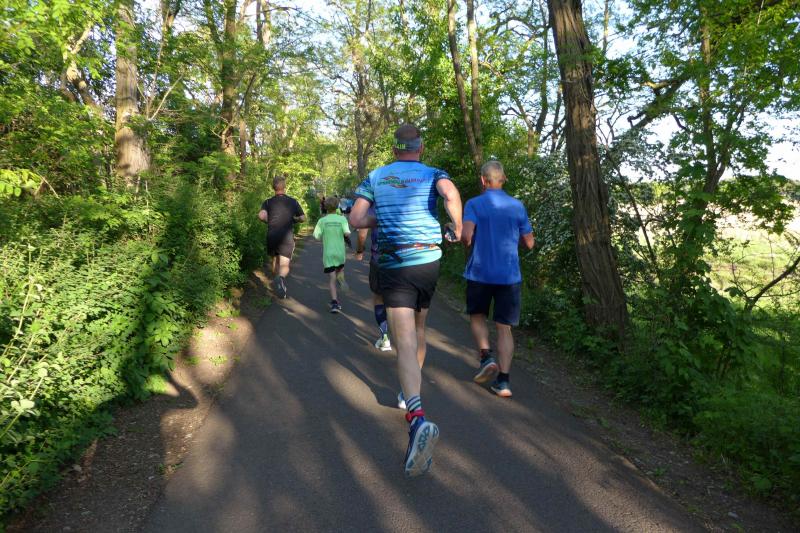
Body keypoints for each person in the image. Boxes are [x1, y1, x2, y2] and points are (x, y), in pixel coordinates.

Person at [349, 123, 462, 477]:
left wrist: (379, 216)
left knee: (404, 340)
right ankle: (406, 389)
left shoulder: (377, 176)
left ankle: (416, 416)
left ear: (394, 148)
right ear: (420, 147)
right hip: (428, 261)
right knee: (420, 328)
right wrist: (457, 227)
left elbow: (356, 218)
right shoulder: (434, 173)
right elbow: (451, 194)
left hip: (396, 262)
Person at [461, 161, 534, 398]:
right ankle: (503, 382)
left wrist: (460, 234)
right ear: (504, 179)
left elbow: (467, 236)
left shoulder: (474, 204)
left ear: (483, 180)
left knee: (477, 316)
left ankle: (486, 357)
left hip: (480, 273)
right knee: (504, 329)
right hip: (509, 276)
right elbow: (530, 243)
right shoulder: (517, 206)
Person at [258, 176, 306, 299]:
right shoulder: (293, 202)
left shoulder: (267, 202)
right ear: (284, 187)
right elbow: (303, 218)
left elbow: (261, 216)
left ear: (273, 187)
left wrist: (269, 221)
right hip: (286, 237)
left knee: (275, 260)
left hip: (272, 235)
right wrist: (295, 220)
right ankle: (280, 279)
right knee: (285, 265)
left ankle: (277, 281)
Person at [354, 207, 391, 353]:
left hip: (379, 259)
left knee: (379, 298)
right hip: (407, 260)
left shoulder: (374, 207)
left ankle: (385, 336)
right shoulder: (406, 199)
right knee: (401, 301)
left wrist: (360, 250)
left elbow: (362, 233)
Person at [313, 197, 352, 313]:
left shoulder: (322, 221)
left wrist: (325, 234)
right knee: (340, 270)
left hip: (328, 254)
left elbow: (316, 236)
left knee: (331, 279)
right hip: (340, 253)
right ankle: (341, 278)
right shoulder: (342, 219)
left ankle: (335, 303)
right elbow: (347, 233)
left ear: (325, 207)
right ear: (337, 206)